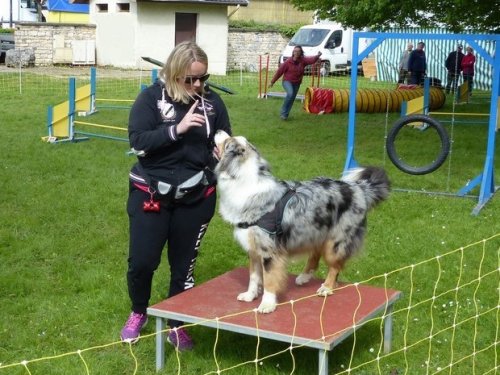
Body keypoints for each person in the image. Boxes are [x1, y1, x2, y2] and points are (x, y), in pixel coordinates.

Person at [120, 41, 232, 350]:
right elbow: (139, 142)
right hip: (151, 195)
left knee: (184, 268)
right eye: (190, 79)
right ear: (172, 74)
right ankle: (138, 311)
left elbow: (222, 141)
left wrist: (223, 155)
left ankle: (175, 324)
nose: (198, 85)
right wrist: (177, 129)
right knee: (143, 263)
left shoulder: (213, 104)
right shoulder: (149, 100)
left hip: (196, 198)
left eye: (203, 78)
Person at [269, 46, 322, 120]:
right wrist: (272, 82)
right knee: (290, 94)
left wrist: (317, 56)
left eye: (298, 51)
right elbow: (279, 72)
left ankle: (285, 115)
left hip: (297, 83)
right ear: (293, 52)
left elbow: (311, 60)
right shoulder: (288, 62)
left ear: (301, 53)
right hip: (287, 81)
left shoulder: (303, 61)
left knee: (292, 98)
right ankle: (283, 113)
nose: (296, 53)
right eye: (295, 51)